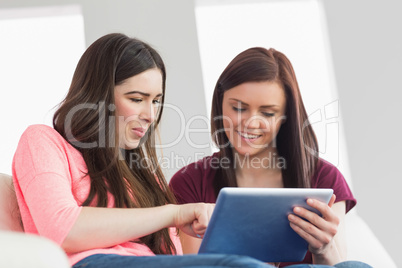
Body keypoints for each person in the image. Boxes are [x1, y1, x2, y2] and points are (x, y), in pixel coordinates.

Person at [11, 33, 279, 268]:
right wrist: (174, 213)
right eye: (137, 99)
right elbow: (62, 230)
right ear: (98, 95)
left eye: (157, 101)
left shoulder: (140, 172)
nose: (151, 115)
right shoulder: (43, 141)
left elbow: (172, 254)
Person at [169, 47, 372, 268]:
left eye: (267, 113)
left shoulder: (324, 178)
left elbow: (337, 265)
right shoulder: (190, 181)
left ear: (285, 117)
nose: (251, 123)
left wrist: (324, 249)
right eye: (238, 108)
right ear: (220, 104)